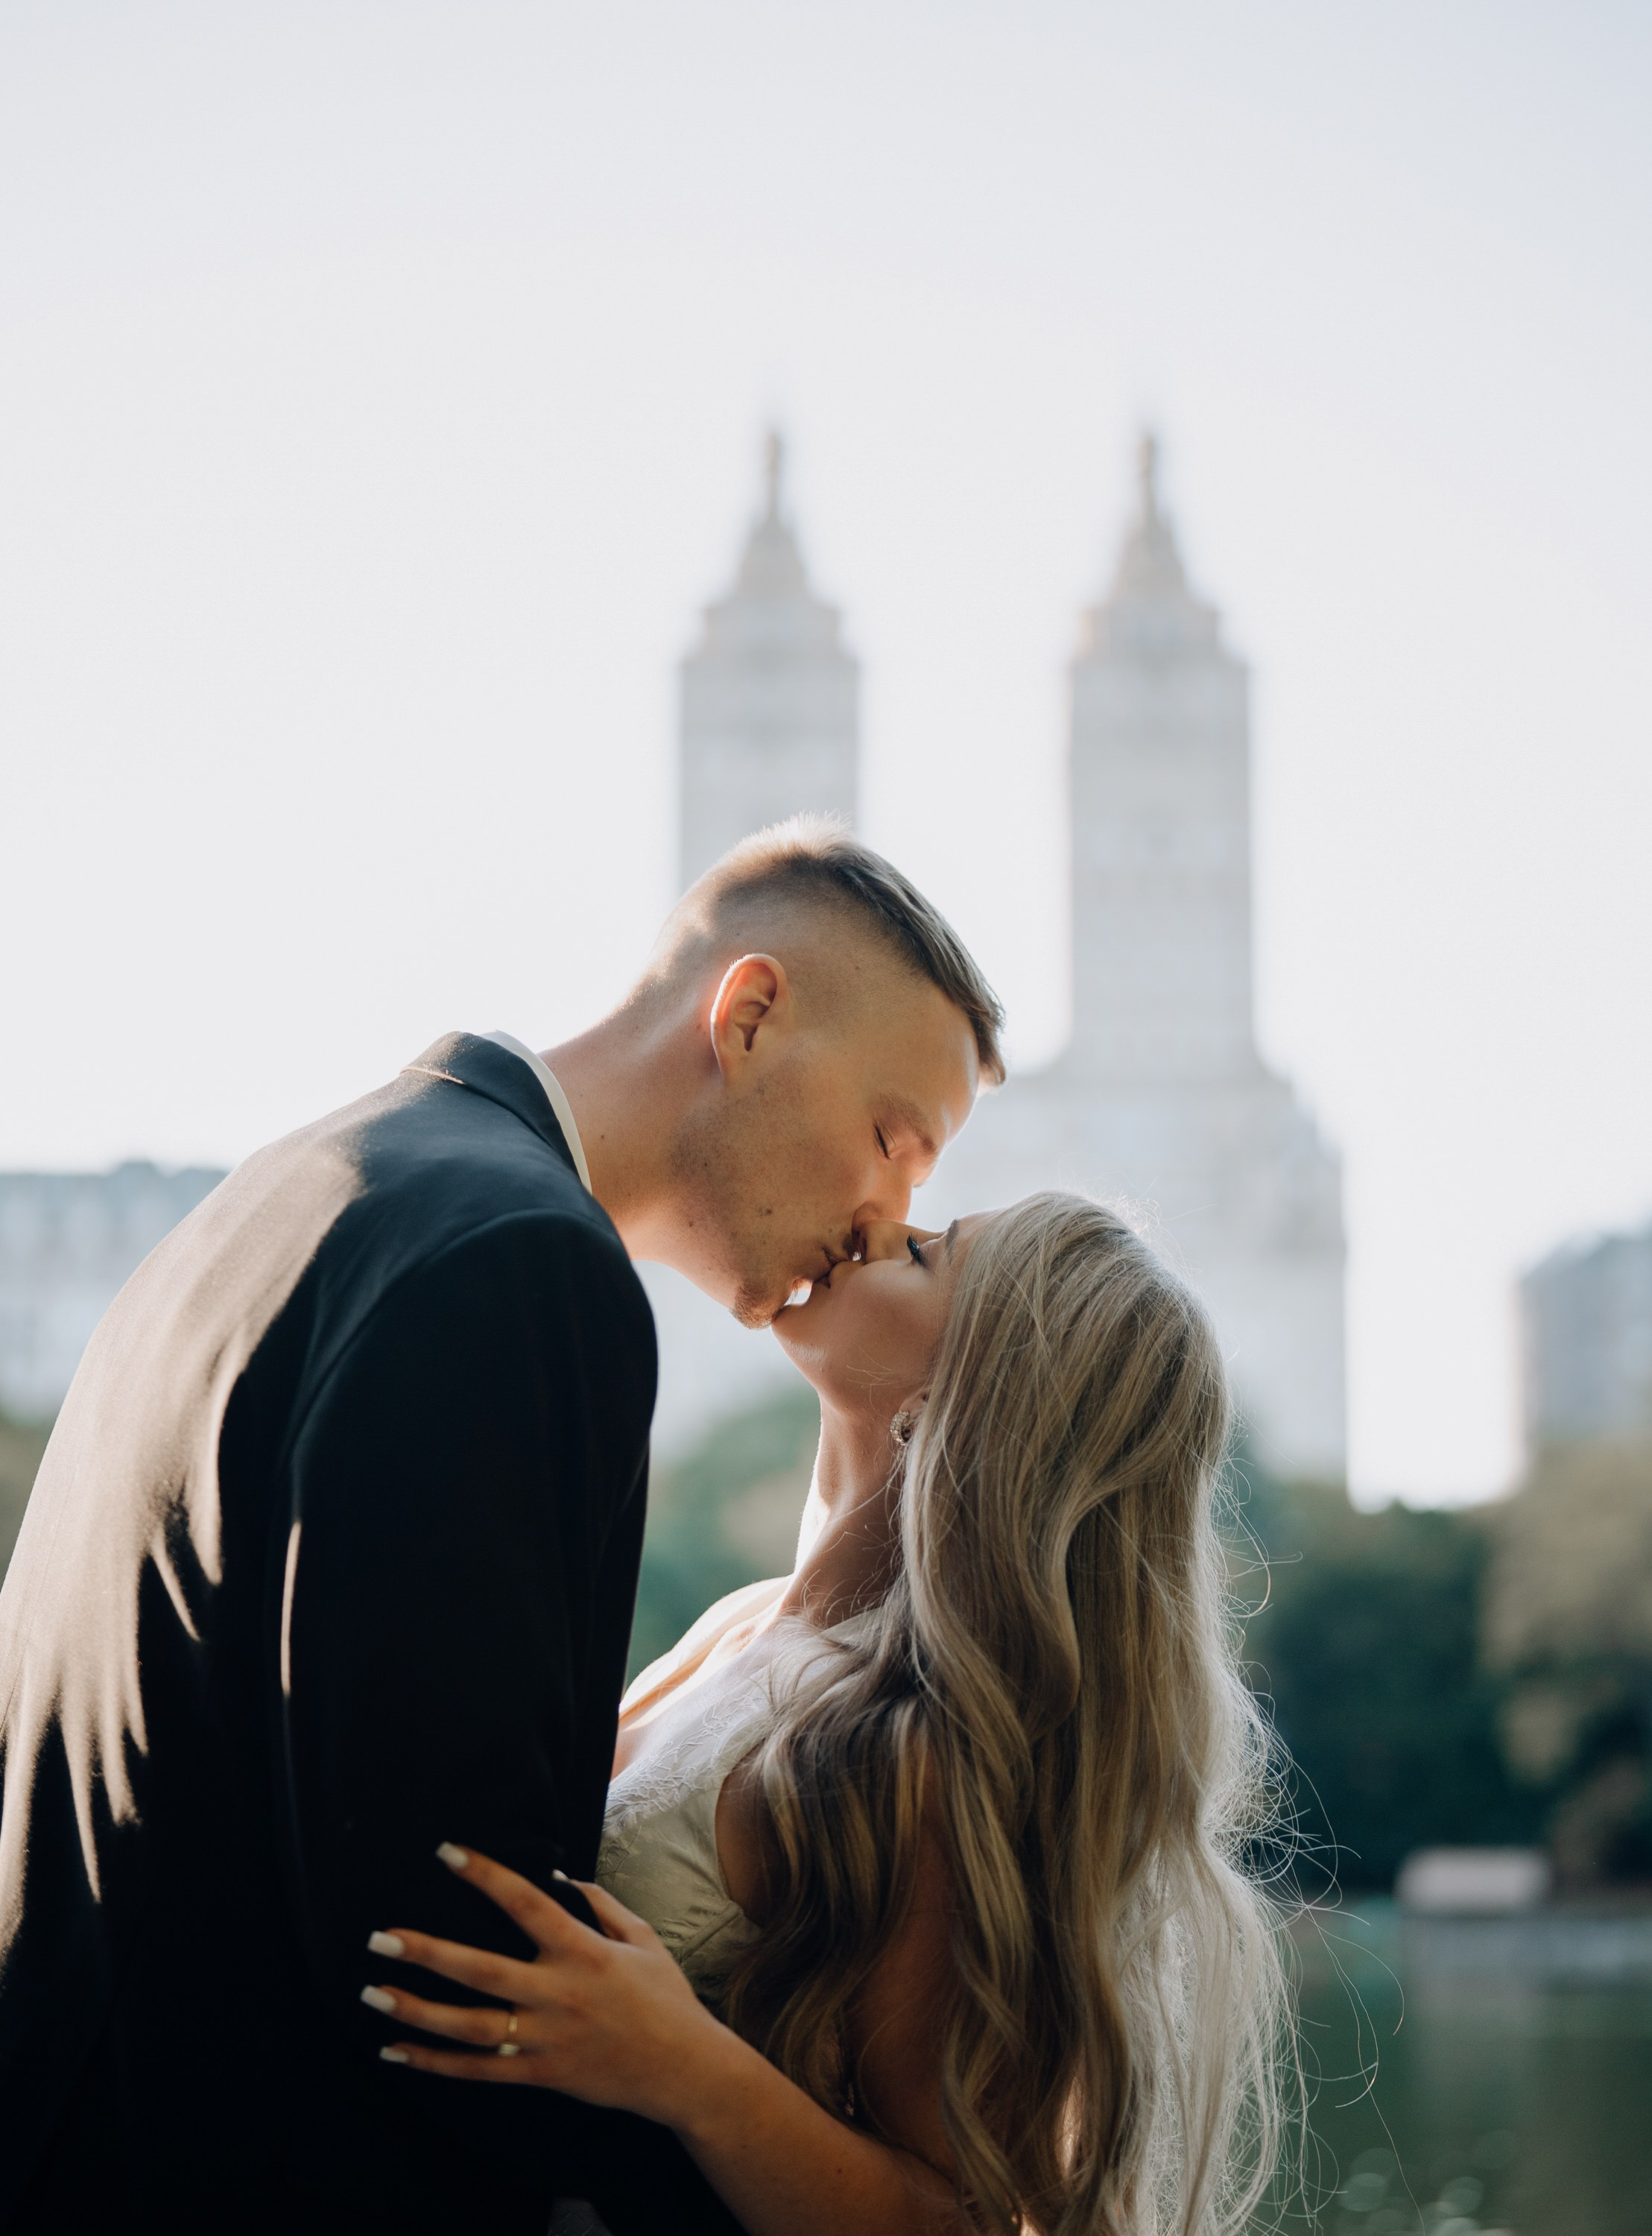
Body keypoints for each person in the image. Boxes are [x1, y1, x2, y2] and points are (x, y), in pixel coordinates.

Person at [0, 818, 1001, 2235]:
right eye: (896, 1139)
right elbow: (451, 1954)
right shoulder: (523, 1266)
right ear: (754, 1013)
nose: (889, 1211)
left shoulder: (294, 1183)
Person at [355, 1193, 1291, 2236]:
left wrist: (684, 2067)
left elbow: (966, 2218)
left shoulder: (915, 1751)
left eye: (929, 1254)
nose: (877, 1225)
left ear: (969, 1394)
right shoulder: (745, 1621)